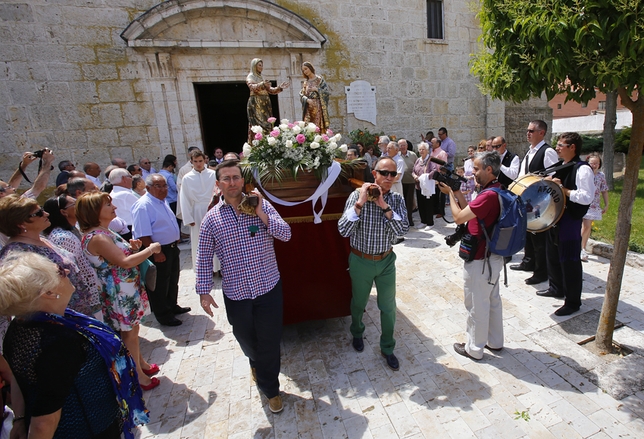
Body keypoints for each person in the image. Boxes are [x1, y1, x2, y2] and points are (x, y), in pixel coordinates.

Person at [0, 251, 149, 439]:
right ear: (48, 293)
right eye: (60, 272)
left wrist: (20, 419)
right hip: (89, 430)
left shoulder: (20, 325)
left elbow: (21, 381)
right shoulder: (58, 341)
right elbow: (44, 422)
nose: (68, 271)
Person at [196, 160, 291, 414]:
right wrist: (204, 291)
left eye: (236, 177)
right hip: (236, 293)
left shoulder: (263, 206)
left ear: (243, 180)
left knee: (269, 342)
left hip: (268, 287)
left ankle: (270, 389)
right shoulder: (211, 220)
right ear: (218, 184)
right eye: (226, 178)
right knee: (246, 339)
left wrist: (261, 212)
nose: (232, 183)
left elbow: (285, 234)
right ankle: (255, 363)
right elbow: (203, 256)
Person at [76, 191, 162, 390]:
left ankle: (141, 364)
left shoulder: (104, 231)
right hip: (119, 294)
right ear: (95, 212)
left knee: (133, 329)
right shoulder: (97, 237)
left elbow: (118, 257)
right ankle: (138, 376)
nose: (114, 207)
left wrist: (133, 249)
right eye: (108, 205)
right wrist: (150, 249)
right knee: (129, 334)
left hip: (126, 290)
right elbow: (123, 263)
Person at [338, 157, 409, 371]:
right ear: (374, 173)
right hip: (361, 260)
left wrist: (384, 206)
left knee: (388, 307)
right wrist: (360, 203)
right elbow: (343, 230)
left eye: (393, 174)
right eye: (384, 173)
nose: (388, 178)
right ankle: (357, 332)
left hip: (386, 260)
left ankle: (388, 347)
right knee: (359, 303)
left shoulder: (396, 199)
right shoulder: (355, 197)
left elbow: (402, 230)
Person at [438, 151, 504, 360]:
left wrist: (449, 193)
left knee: (476, 303)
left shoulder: (487, 195)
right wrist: (457, 192)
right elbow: (470, 211)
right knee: (492, 299)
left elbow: (458, 217)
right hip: (493, 256)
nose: (472, 172)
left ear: (489, 169)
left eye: (476, 168)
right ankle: (495, 341)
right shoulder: (496, 190)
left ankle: (474, 349)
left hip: (479, 259)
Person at [0, 195, 100, 317]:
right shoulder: (17, 253)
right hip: (56, 319)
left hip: (76, 311)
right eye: (39, 213)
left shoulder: (41, 239)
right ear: (21, 223)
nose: (46, 214)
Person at [538, 132, 594, 316]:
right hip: (555, 217)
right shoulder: (561, 165)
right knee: (552, 254)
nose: (557, 148)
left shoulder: (583, 169)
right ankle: (556, 288)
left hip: (569, 219)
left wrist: (564, 190)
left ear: (573, 147)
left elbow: (586, 197)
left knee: (570, 261)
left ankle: (572, 301)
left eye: (561, 145)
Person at [132, 174, 189, 327]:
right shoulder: (144, 205)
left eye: (165, 186)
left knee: (172, 279)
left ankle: (172, 305)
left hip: (171, 247)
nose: (164, 189)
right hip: (158, 249)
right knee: (159, 284)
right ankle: (163, 315)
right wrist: (156, 253)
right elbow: (142, 233)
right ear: (148, 187)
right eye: (159, 186)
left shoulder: (161, 202)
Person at [510, 120, 559, 285]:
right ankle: (528, 262)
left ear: (542, 133)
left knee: (539, 238)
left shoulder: (547, 152)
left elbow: (552, 178)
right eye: (527, 130)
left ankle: (541, 272)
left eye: (531, 130)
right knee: (528, 234)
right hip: (526, 199)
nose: (528, 133)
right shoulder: (530, 151)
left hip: (539, 201)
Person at [43, 194, 103, 320]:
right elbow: (71, 270)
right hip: (82, 296)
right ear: (64, 212)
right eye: (74, 204)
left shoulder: (73, 229)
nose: (79, 206)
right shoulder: (63, 238)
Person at [180, 150, 219, 271]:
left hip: (213, 208)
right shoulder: (187, 178)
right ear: (191, 162)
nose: (198, 164)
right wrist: (188, 218)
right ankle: (206, 269)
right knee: (200, 240)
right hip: (197, 211)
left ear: (205, 160)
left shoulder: (213, 174)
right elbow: (184, 198)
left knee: (217, 238)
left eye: (200, 161)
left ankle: (219, 267)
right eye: (195, 161)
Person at [246, 58, 290, 136]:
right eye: (259, 65)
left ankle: (267, 141)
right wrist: (262, 84)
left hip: (265, 104)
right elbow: (252, 87)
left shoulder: (261, 77)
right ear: (254, 66)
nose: (261, 67)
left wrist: (279, 87)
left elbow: (270, 90)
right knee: (261, 125)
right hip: (257, 103)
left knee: (268, 124)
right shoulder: (251, 76)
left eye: (262, 66)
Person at [581, 152, 609, 261]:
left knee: (587, 227)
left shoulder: (601, 176)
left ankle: (582, 247)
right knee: (584, 226)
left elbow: (604, 190)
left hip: (594, 204)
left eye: (596, 163)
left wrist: (607, 204)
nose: (594, 165)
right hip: (583, 202)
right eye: (592, 163)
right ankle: (580, 248)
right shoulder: (584, 174)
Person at [108, 168, 138, 240]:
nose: (132, 179)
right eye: (130, 177)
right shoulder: (125, 194)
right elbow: (143, 210)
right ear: (124, 178)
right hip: (131, 230)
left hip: (121, 230)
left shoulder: (112, 193)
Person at [299, 62, 330, 131]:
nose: (305, 71)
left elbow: (326, 93)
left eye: (306, 69)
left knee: (318, 126)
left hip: (318, 106)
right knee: (308, 126)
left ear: (310, 68)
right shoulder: (305, 82)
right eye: (303, 70)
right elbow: (302, 95)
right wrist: (306, 100)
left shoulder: (319, 80)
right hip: (308, 108)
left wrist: (317, 89)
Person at [412, 142, 434, 229]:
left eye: (423, 149)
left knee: (428, 204)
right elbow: (413, 170)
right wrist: (415, 176)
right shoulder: (418, 160)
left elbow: (434, 170)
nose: (421, 151)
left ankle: (430, 223)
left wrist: (425, 177)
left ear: (427, 150)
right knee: (421, 204)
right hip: (418, 186)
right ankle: (423, 221)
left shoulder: (431, 160)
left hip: (427, 186)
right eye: (420, 149)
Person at [398, 138, 418, 227]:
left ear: (407, 146)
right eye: (400, 145)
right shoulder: (396, 155)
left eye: (404, 145)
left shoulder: (413, 155)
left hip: (410, 182)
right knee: (401, 202)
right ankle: (402, 219)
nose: (402, 147)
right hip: (400, 182)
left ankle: (409, 218)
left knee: (409, 202)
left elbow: (417, 166)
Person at [430, 137, 448, 218]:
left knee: (441, 194)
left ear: (438, 144)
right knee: (434, 193)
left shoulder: (442, 153)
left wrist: (441, 176)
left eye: (433, 142)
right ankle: (434, 209)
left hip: (440, 175)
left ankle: (441, 211)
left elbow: (444, 165)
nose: (431, 144)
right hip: (433, 175)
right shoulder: (431, 152)